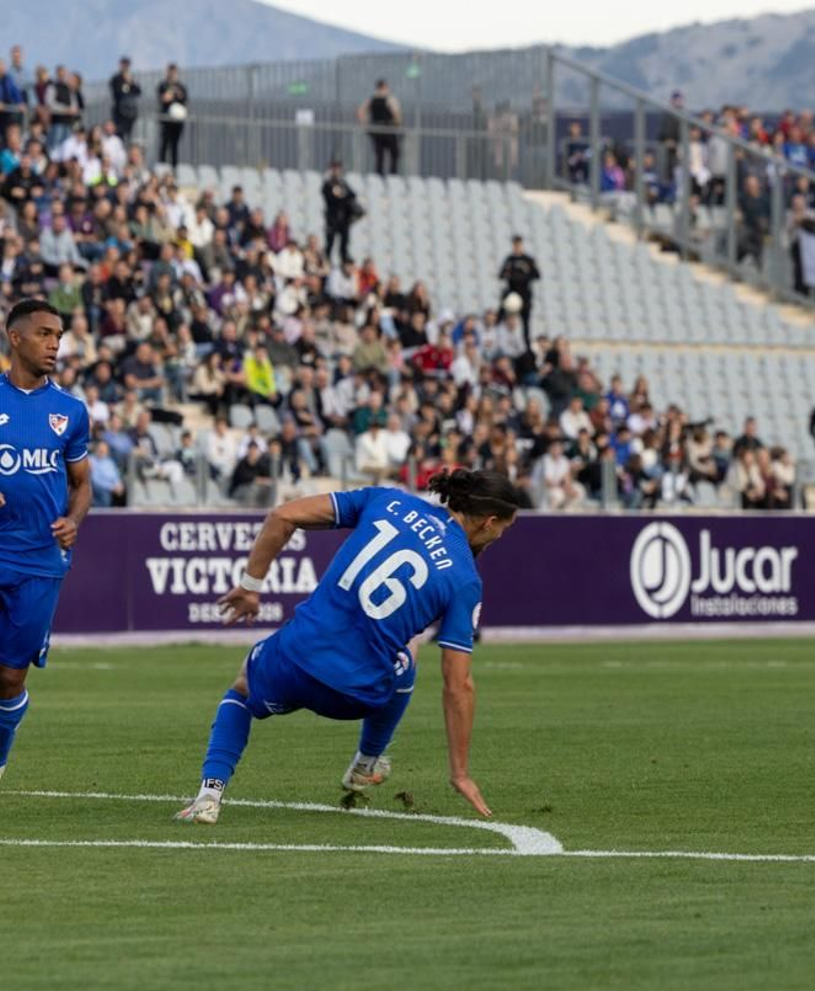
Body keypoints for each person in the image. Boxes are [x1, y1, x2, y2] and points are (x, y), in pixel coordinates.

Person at [173, 468, 518, 825]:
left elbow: (282, 516)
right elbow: (457, 685)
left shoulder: (388, 500)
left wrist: (250, 586)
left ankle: (209, 796)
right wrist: (460, 772)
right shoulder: (465, 578)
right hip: (357, 694)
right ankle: (366, 763)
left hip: (293, 662)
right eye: (504, 530)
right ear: (489, 522)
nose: (499, 537)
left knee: (242, 689)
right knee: (408, 651)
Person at [0, 299, 92, 782]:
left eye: (58, 336)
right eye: (44, 334)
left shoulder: (70, 411)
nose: (55, 344)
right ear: (15, 338)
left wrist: (73, 519)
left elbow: (82, 483)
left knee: (9, 677)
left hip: (39, 560)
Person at [497, 235, 539, 352]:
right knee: (503, 315)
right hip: (512, 294)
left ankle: (526, 345)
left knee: (525, 321)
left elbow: (537, 275)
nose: (517, 247)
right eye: (515, 245)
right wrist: (510, 273)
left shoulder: (528, 260)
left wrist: (524, 274)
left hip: (524, 294)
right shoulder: (509, 260)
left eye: (519, 245)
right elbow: (501, 275)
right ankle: (500, 339)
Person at [358, 79, 401, 177]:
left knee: (379, 154)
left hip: (376, 129)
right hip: (388, 129)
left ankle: (378, 174)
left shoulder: (372, 99)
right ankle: (393, 174)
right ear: (384, 87)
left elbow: (360, 111)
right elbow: (396, 113)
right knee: (394, 152)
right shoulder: (389, 99)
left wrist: (365, 124)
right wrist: (397, 124)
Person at [321, 159, 359, 265]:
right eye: (335, 168)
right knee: (330, 242)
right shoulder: (328, 184)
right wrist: (342, 196)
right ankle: (327, 262)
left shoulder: (343, 183)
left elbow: (352, 195)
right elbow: (331, 198)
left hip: (343, 219)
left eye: (338, 169)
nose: (336, 171)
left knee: (344, 243)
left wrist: (342, 196)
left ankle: (344, 262)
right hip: (332, 218)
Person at [156, 63, 187, 168]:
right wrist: (173, 94)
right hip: (166, 119)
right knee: (164, 144)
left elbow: (183, 99)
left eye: (174, 72)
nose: (172, 74)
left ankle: (174, 167)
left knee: (174, 145)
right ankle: (161, 166)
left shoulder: (181, 86)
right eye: (170, 72)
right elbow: (164, 98)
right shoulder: (163, 85)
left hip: (177, 121)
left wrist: (174, 94)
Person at [109, 57, 140, 141]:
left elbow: (138, 91)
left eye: (127, 65)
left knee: (129, 134)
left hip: (130, 112)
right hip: (120, 112)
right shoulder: (116, 79)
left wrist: (131, 82)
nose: (125, 67)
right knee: (119, 134)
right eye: (124, 65)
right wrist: (125, 83)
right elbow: (117, 92)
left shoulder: (132, 79)